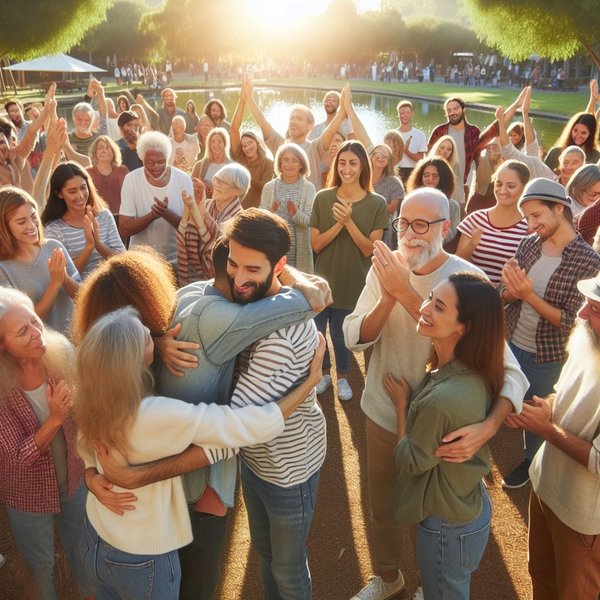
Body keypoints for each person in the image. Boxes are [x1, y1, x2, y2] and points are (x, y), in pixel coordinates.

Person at [71, 242, 330, 600]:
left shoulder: (94, 391)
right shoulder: (155, 413)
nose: (157, 327)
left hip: (101, 533)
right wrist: (309, 384)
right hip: (154, 542)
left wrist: (90, 472)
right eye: (143, 329)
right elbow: (241, 427)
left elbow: (86, 440)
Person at [343, 188, 527, 600]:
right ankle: (389, 576)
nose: (409, 233)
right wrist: (388, 294)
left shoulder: (468, 280)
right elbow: (354, 336)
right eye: (403, 223)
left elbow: (509, 370)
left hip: (443, 428)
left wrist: (488, 427)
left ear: (446, 227)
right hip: (382, 411)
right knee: (383, 505)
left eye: (422, 224)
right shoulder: (386, 269)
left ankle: (434, 581)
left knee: (430, 514)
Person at [221, 209, 326, 600]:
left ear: (278, 266)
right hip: (257, 461)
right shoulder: (249, 297)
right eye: (233, 263)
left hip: (288, 469)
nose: (239, 277)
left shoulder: (285, 335)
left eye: (252, 268)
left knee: (287, 567)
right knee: (265, 553)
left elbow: (238, 421)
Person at [392, 273, 505, 599]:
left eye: (439, 307)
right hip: (466, 505)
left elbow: (410, 461)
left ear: (464, 327)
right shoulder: (478, 368)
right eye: (430, 298)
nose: (424, 308)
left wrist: (402, 407)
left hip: (446, 526)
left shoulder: (443, 400)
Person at [499, 178, 600, 489]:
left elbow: (575, 322)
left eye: (536, 216)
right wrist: (510, 292)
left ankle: (533, 462)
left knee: (539, 412)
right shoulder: (528, 244)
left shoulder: (588, 260)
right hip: (513, 342)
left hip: (548, 355)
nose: (531, 225)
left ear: (560, 208)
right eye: (527, 218)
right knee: (509, 400)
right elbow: (505, 292)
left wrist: (527, 295)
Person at [507, 271, 600, 599]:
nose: (581, 315)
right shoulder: (587, 339)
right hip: (546, 485)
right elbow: (561, 395)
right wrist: (541, 410)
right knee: (540, 575)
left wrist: (545, 429)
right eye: (588, 304)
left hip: (582, 518)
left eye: (596, 310)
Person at [0, 287, 91, 600]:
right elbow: (14, 457)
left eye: (35, 321)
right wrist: (54, 419)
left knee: (83, 550)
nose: (37, 333)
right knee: (40, 567)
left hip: (74, 479)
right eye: (22, 331)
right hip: (27, 494)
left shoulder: (61, 352)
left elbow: (87, 409)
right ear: (2, 346)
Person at [311, 140, 388, 402]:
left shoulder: (376, 203)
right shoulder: (323, 197)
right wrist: (338, 225)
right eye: (342, 162)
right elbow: (316, 243)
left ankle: (343, 377)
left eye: (353, 163)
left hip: (354, 281)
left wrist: (348, 222)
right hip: (323, 281)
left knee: (342, 336)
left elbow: (369, 249)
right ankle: (323, 374)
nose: (346, 168)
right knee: (318, 333)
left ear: (362, 166)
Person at [0, 187, 80, 335]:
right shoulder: (3, 270)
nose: (31, 225)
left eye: (34, 217)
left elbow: (82, 296)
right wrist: (55, 284)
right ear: (4, 227)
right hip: (43, 349)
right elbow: (25, 324)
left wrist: (65, 279)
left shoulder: (54, 247)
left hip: (76, 339)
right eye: (21, 221)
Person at [119, 131, 192, 267]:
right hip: (140, 261)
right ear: (142, 159)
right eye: (150, 162)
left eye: (161, 162)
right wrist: (153, 215)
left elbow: (191, 230)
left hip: (176, 260)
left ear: (167, 158)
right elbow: (124, 229)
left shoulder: (183, 179)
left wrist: (165, 213)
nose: (156, 167)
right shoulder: (131, 179)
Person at [41, 162, 124, 279]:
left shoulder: (103, 216)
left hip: (114, 284)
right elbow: (65, 277)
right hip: (82, 291)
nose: (80, 195)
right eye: (72, 191)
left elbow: (124, 259)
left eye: (83, 188)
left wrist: (99, 245)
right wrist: (89, 247)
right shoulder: (54, 229)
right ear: (59, 194)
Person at [456, 160, 530, 283]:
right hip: (470, 291)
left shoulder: (529, 228)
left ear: (524, 188)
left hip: (506, 298)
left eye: (511, 186)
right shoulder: (475, 219)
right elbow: (457, 263)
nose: (502, 190)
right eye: (499, 184)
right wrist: (472, 245)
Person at [177, 163, 249, 284]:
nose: (216, 184)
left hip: (221, 281)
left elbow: (216, 247)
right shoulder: (206, 204)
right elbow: (185, 233)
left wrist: (199, 209)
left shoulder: (240, 219)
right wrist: (188, 208)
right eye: (216, 179)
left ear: (238, 191)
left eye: (223, 182)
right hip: (193, 274)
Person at [261, 143, 316, 272]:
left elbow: (309, 221)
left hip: (299, 254)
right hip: (274, 250)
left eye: (294, 160)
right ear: (279, 163)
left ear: (301, 164)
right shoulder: (269, 187)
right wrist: (271, 212)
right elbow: (261, 220)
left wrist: (295, 213)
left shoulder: (309, 188)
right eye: (285, 160)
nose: (289, 164)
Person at [229, 89, 274, 209]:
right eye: (244, 145)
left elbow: (265, 188)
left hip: (257, 211)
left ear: (257, 142)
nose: (247, 147)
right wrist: (242, 101)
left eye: (250, 143)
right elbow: (234, 129)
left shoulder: (268, 164)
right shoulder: (240, 157)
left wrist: (246, 174)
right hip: (236, 210)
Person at [406, 157, 461, 244]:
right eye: (426, 175)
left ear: (443, 178)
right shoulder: (411, 201)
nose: (430, 179)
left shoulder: (452, 206)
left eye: (435, 176)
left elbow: (451, 235)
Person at [86, 135, 129, 226]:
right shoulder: (88, 172)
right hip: (97, 218)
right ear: (95, 153)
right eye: (100, 148)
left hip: (121, 217)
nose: (104, 150)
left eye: (108, 148)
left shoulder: (122, 170)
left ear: (113, 151)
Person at [369, 144, 404, 250]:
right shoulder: (362, 178)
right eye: (378, 154)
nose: (380, 157)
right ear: (371, 156)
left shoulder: (394, 182)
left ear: (389, 160)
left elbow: (391, 209)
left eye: (385, 156)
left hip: (384, 223)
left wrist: (368, 206)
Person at [191, 127, 233, 198]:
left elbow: (235, 190)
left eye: (219, 141)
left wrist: (218, 190)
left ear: (225, 144)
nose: (216, 144)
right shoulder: (199, 165)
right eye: (213, 142)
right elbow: (191, 185)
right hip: (203, 204)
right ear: (209, 144)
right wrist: (202, 187)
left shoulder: (232, 167)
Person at [395, 100, 427, 184]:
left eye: (407, 113)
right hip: (396, 171)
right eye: (401, 113)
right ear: (398, 115)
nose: (404, 116)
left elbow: (420, 159)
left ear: (412, 114)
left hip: (414, 172)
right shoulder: (393, 135)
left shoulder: (420, 135)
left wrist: (406, 150)